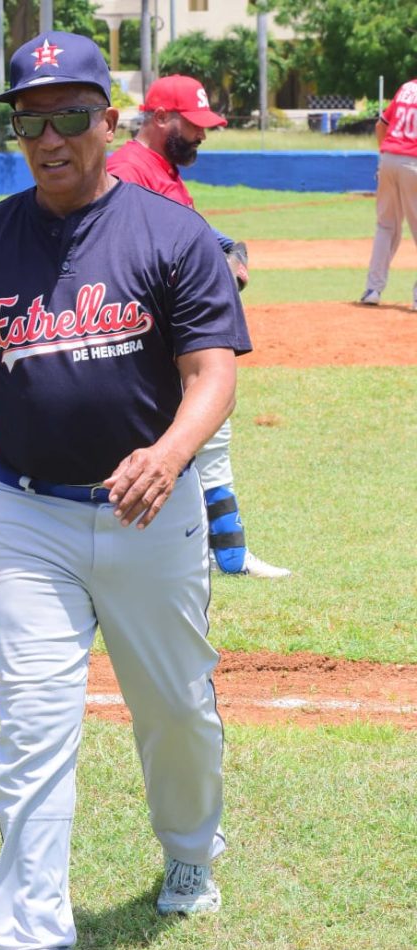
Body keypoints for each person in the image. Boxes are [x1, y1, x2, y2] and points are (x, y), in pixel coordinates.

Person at [0, 31, 251, 950]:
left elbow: (212, 372)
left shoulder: (169, 234)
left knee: (176, 708)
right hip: (27, 512)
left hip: (149, 511)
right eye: (31, 120)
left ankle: (190, 852)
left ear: (110, 121)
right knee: (32, 729)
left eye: (71, 115)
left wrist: (171, 452)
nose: (50, 137)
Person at [108, 75, 291, 579]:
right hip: (153, 338)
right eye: (193, 124)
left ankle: (226, 552)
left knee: (211, 437)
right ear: (161, 117)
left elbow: (183, 231)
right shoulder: (127, 170)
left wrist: (222, 249)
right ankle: (218, 553)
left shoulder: (160, 168)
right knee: (194, 437)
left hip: (180, 330)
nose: (202, 135)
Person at [360, 76, 417, 311]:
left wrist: (385, 158)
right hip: (414, 161)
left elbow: (380, 125)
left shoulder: (407, 88)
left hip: (388, 158)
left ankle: (372, 290)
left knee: (386, 226)